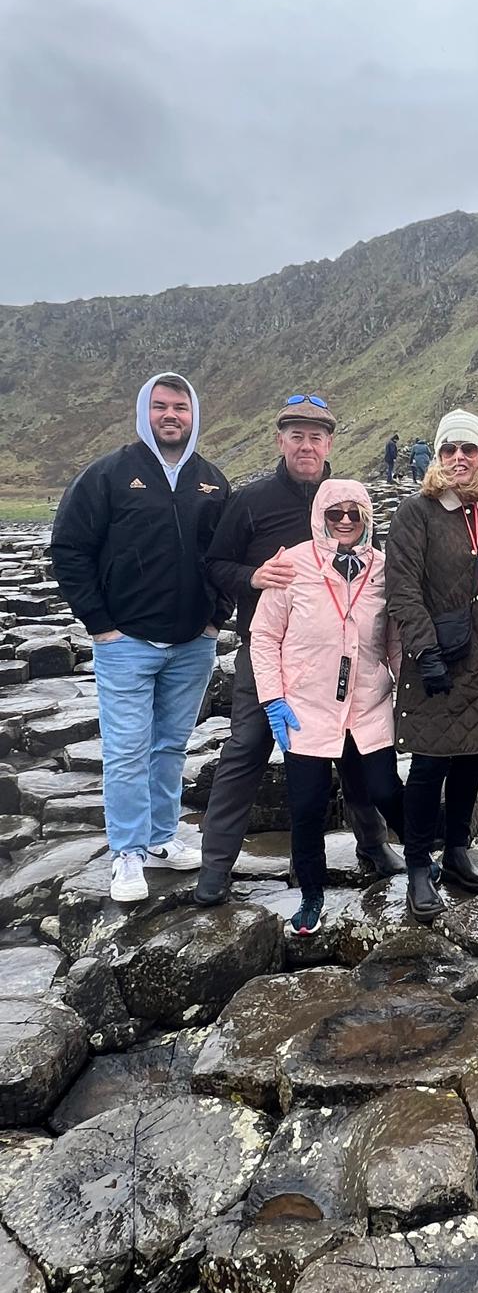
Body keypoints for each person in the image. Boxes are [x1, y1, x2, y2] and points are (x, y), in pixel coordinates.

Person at [193, 395, 401, 907]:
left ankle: (373, 844)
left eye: (316, 437)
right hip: (267, 650)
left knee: (354, 750)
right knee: (246, 748)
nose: (306, 446)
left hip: (344, 660)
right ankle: (215, 865)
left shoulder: (350, 503)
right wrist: (254, 577)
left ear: (329, 444)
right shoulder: (251, 500)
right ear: (280, 440)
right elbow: (214, 564)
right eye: (297, 436)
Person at [50, 374, 230, 902]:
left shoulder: (212, 481)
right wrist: (99, 624)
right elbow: (69, 548)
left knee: (171, 746)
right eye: (160, 406)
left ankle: (161, 837)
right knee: (128, 750)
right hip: (124, 642)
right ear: (144, 413)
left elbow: (226, 556)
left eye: (180, 407)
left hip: (193, 643)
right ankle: (127, 851)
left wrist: (215, 620)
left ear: (194, 415)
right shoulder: (107, 474)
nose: (171, 415)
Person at [248, 478, 416, 933]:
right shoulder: (290, 564)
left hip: (368, 704)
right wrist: (273, 699)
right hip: (307, 707)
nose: (344, 521)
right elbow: (264, 636)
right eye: (334, 513)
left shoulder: (384, 568)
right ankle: (311, 892)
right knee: (307, 805)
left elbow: (394, 640)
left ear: (367, 518)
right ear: (319, 516)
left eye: (354, 513)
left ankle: (420, 862)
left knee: (384, 789)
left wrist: (410, 690)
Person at [386, 409, 478, 897]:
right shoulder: (416, 512)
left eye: (469, 449)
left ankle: (458, 852)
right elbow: (402, 589)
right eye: (449, 449)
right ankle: (419, 866)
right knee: (428, 765)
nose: (458, 457)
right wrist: (425, 651)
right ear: (437, 455)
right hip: (437, 661)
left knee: (470, 759)